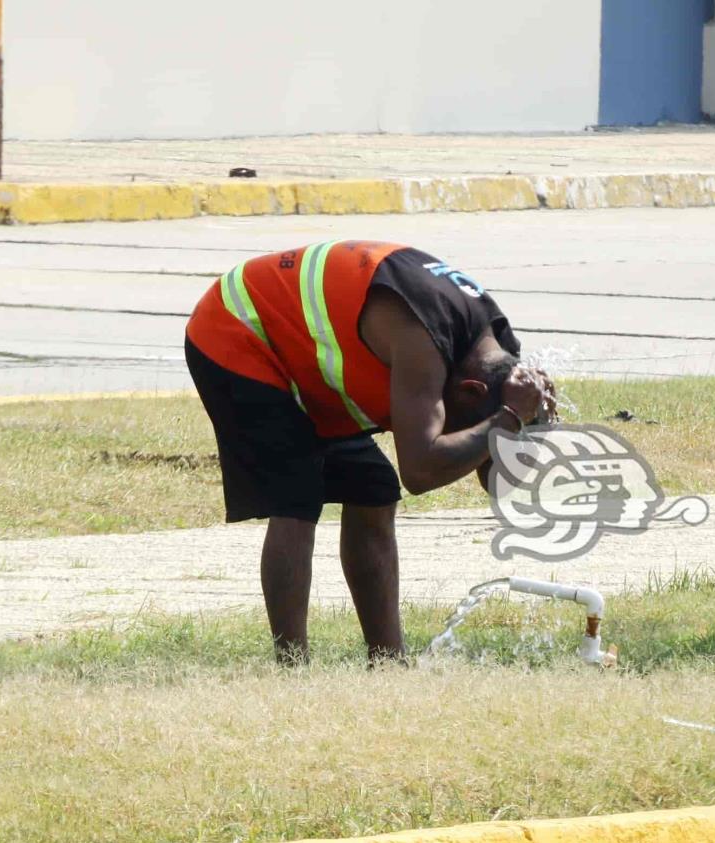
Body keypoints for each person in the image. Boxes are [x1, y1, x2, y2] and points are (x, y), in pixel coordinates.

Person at [184, 240, 554, 664]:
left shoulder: (500, 355)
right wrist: (506, 420)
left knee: (373, 489)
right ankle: (292, 667)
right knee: (296, 495)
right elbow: (420, 469)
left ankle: (388, 661)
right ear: (471, 392)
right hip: (238, 331)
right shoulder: (424, 341)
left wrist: (530, 424)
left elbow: (497, 480)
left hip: (305, 362)